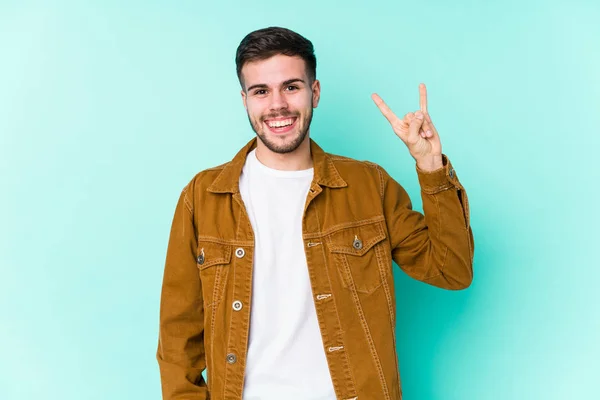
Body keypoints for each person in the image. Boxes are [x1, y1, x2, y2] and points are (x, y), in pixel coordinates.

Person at [156, 26, 474, 400]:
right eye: (261, 91)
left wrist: (430, 167)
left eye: (291, 87)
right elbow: (178, 338)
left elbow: (451, 270)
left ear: (315, 92)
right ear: (245, 100)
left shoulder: (369, 186)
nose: (278, 105)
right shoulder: (204, 196)